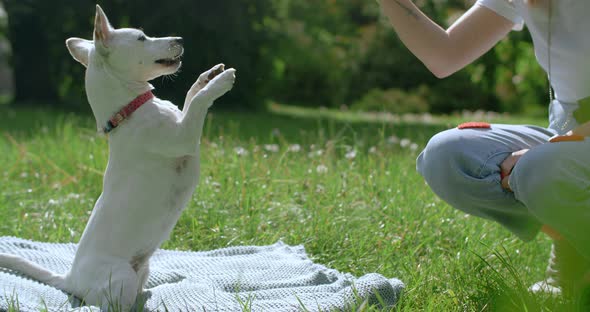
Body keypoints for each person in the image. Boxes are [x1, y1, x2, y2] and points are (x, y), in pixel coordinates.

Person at [378, 0, 590, 297]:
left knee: (539, 168)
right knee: (448, 156)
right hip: (570, 125)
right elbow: (444, 54)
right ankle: (576, 247)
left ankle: (573, 264)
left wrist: (551, 149)